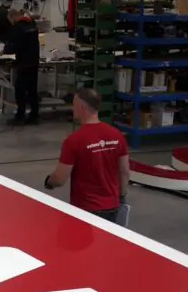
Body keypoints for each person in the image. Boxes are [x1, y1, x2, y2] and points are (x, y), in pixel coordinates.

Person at [44, 88, 130, 221]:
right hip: (112, 207)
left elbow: (60, 179)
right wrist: (121, 197)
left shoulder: (74, 140)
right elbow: (124, 171)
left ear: (82, 107)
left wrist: (49, 182)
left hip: (85, 209)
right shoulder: (117, 135)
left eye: (74, 105)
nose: (72, 108)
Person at [4, 8, 41, 124]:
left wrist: (5, 50)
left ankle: (20, 115)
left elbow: (15, 46)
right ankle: (34, 115)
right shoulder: (32, 25)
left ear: (13, 17)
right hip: (34, 62)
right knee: (32, 90)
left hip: (23, 63)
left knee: (20, 90)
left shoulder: (18, 28)